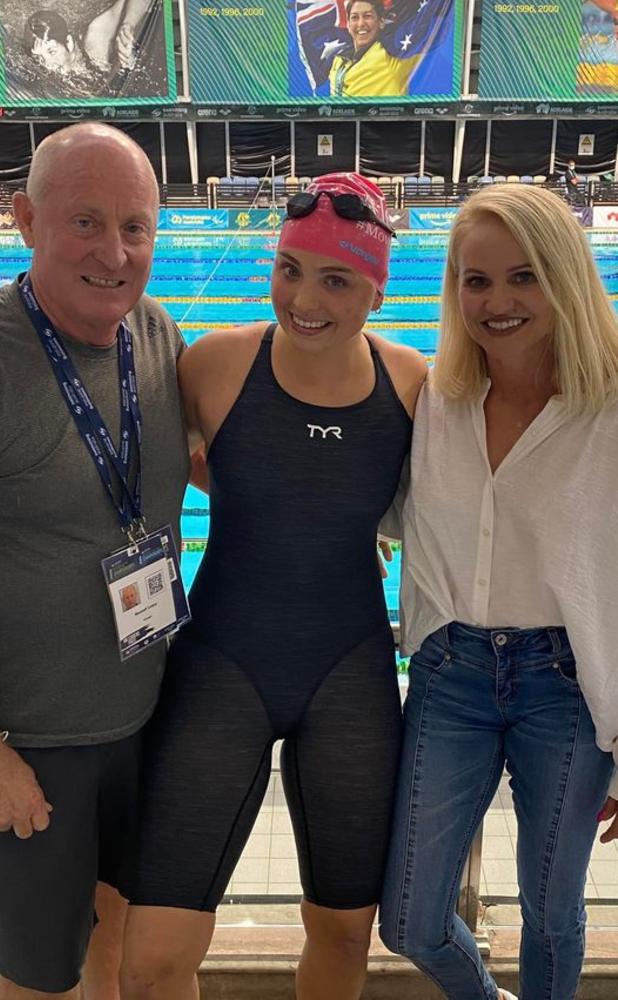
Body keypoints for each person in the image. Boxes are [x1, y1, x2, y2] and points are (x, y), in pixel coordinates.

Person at [119, 173, 427, 1000]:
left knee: (343, 932)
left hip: (351, 674)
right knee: (152, 954)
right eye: (290, 268)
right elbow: (152, 475)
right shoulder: (214, 362)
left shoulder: (413, 384)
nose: (304, 298)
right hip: (222, 666)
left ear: (376, 288)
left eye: (336, 280)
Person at [378, 183, 618, 1000]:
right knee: (408, 917)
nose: (497, 301)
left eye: (523, 277)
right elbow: (362, 501)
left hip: (568, 689)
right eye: (476, 281)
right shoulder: (436, 404)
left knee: (553, 914)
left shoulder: (610, 409)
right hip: (452, 676)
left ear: (564, 279)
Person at [0, 122, 188, 999]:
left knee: (121, 948)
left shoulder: (158, 334)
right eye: (86, 222)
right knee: (39, 977)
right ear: (24, 218)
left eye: (135, 226)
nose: (115, 251)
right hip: (26, 743)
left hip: (144, 725)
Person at [23, 0, 153, 79]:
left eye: (52, 52)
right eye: (41, 58)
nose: (48, 65)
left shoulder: (95, 41)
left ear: (69, 43)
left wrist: (128, 25)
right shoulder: (44, 70)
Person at [329, 0, 413, 97]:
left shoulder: (391, 56)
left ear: (381, 22)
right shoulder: (338, 60)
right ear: (348, 24)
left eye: (367, 16)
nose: (361, 23)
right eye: (354, 17)